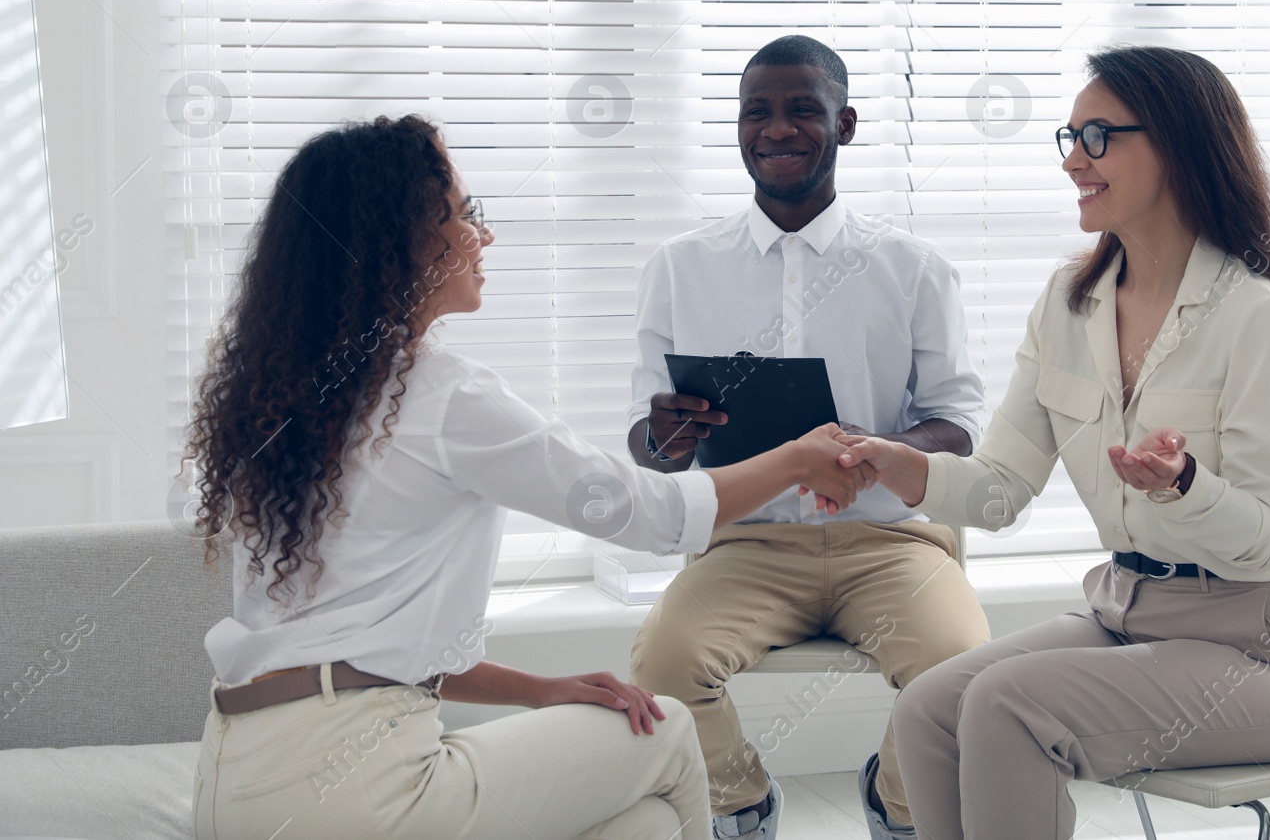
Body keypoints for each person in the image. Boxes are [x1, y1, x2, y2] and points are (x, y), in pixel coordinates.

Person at [184, 114, 868, 840]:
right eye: (462, 213)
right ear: (400, 241)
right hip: (356, 785)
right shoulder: (439, 392)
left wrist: (542, 690)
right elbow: (649, 514)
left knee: (641, 822)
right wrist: (799, 457)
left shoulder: (288, 403)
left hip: (234, 781)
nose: (483, 235)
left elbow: (360, 648)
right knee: (666, 730)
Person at [838, 46, 1270, 839]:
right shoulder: (1067, 304)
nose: (1074, 159)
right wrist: (907, 468)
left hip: (1260, 654)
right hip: (1126, 616)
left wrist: (1187, 487)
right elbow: (1001, 487)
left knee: (1009, 704)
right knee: (932, 704)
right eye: (1069, 137)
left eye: (1099, 136)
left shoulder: (1255, 316)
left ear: (1176, 143)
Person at [626, 35, 991, 840]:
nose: (776, 128)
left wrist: (882, 448)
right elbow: (648, 450)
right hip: (746, 545)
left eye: (801, 110)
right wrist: (665, 439)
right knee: (663, 663)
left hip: (890, 545)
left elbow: (959, 424)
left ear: (846, 123)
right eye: (756, 111)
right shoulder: (681, 267)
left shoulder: (913, 266)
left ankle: (897, 804)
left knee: (962, 672)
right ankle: (742, 805)